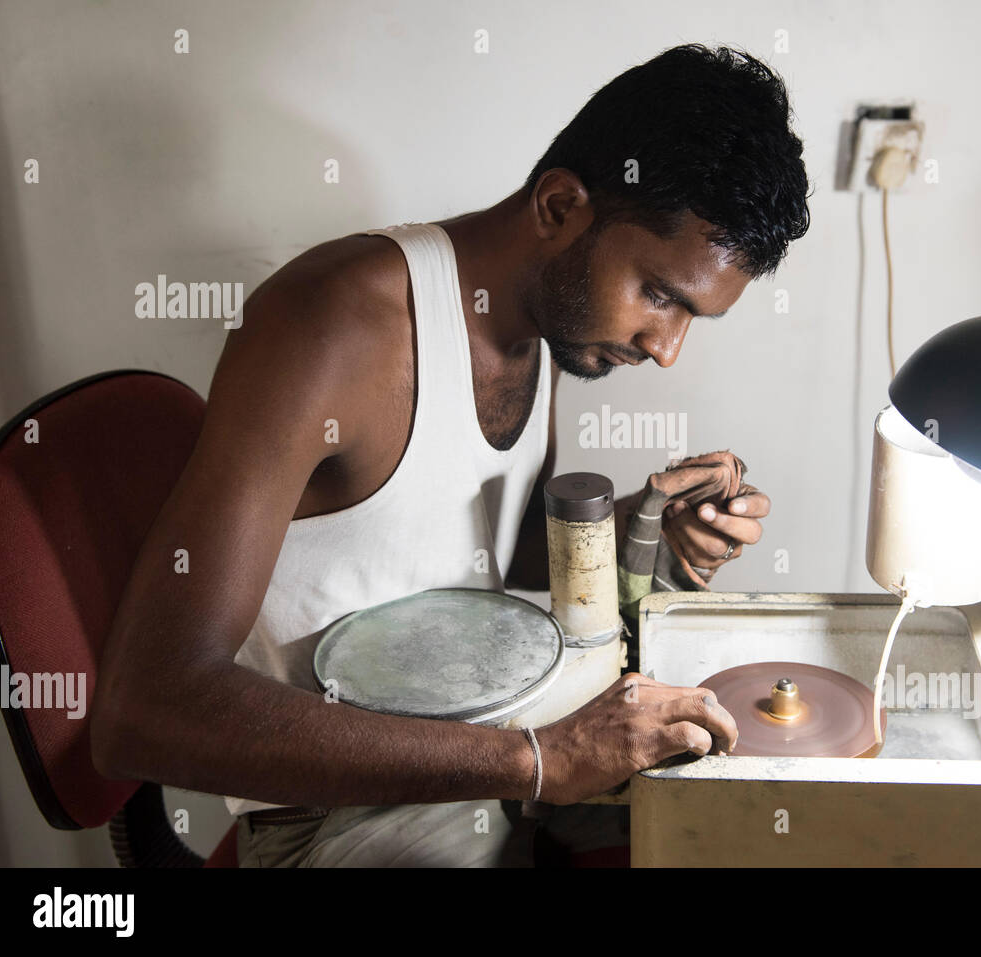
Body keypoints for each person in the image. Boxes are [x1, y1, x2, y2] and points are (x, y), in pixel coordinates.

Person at [90, 42, 811, 866]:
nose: (666, 347)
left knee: (767, 817)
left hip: (496, 756)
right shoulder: (332, 327)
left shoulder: (551, 325)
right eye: (657, 294)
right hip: (337, 815)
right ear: (560, 205)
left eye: (691, 317)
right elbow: (143, 709)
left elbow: (481, 545)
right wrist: (543, 760)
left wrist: (650, 525)